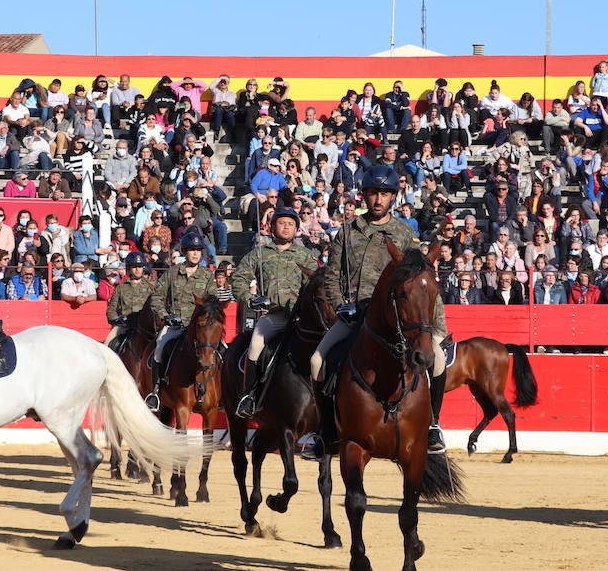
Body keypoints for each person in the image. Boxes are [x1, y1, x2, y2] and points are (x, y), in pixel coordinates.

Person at [304, 164, 449, 460]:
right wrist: (337, 307)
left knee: (439, 361)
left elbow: (422, 281)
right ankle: (324, 432)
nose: (378, 199)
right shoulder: (347, 231)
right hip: (355, 315)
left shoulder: (404, 233)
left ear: (393, 197)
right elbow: (331, 274)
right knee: (318, 360)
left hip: (399, 319)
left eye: (384, 193)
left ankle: (432, 424)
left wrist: (435, 326)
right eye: (373, 193)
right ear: (365, 196)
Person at [230, 208, 320, 418]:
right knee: (254, 347)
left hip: (301, 319)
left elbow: (318, 284)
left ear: (297, 229)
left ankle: (324, 401)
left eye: (291, 223)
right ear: (272, 228)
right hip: (274, 317)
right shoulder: (260, 253)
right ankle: (249, 396)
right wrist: (250, 299)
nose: (286, 226)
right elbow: (239, 279)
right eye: (281, 222)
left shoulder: (306, 255)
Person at [145, 231, 215, 411]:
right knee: (159, 349)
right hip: (175, 325)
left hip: (199, 328)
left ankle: (219, 393)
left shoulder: (208, 276)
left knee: (220, 350)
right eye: (192, 250)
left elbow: (213, 302)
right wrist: (165, 316)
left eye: (199, 250)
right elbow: (157, 298)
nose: (195, 253)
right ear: (185, 251)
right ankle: (156, 392)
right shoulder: (172, 272)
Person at [105, 252, 154, 345]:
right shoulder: (121, 287)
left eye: (140, 267)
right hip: (125, 326)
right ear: (129, 268)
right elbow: (111, 309)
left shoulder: (152, 286)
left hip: (145, 328)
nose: (137, 270)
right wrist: (117, 320)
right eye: (134, 267)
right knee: (108, 344)